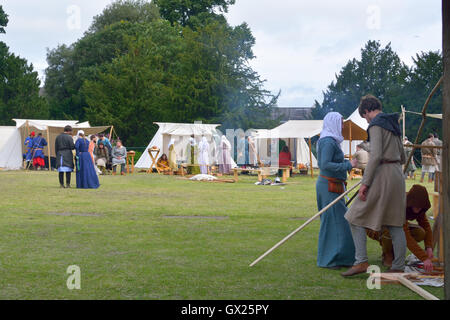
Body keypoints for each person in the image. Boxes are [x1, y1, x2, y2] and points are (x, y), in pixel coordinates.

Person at [342, 95, 406, 276]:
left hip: (383, 174)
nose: (367, 120)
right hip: (396, 175)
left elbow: (377, 155)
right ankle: (398, 266)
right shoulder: (393, 123)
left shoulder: (377, 123)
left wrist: (365, 183)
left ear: (367, 111)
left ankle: (361, 261)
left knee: (354, 216)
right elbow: (401, 155)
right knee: (395, 223)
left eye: (365, 117)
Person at [316, 112, 357, 269]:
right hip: (328, 186)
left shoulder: (331, 140)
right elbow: (324, 164)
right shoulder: (327, 141)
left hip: (333, 185)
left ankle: (341, 258)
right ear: (333, 123)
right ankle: (329, 259)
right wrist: (348, 165)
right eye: (340, 123)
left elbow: (333, 161)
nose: (342, 126)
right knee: (333, 222)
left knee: (338, 222)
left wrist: (347, 162)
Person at [366, 184, 434, 272]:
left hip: (395, 225)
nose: (418, 209)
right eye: (416, 206)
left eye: (421, 207)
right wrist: (424, 258)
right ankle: (388, 254)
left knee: (420, 232)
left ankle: (394, 252)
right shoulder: (399, 205)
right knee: (389, 232)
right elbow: (405, 236)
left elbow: (426, 226)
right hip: (374, 227)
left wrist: (429, 247)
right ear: (411, 202)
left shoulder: (419, 208)